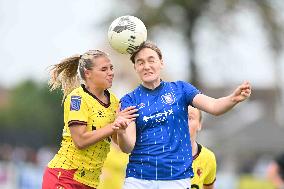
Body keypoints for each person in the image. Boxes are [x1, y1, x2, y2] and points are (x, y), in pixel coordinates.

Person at [114, 41, 252, 189]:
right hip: (138, 179)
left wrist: (233, 99)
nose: (146, 66)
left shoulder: (181, 89)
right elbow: (127, 147)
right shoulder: (129, 100)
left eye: (151, 60)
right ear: (135, 67)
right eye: (140, 62)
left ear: (161, 63)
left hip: (176, 178)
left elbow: (214, 106)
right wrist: (121, 133)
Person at [41, 50, 138, 189]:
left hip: (91, 183)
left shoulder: (114, 102)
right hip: (64, 177)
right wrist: (113, 125)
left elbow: (122, 146)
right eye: (104, 69)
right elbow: (80, 140)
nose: (110, 73)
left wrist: (122, 129)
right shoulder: (78, 98)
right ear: (88, 73)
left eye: (111, 68)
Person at [188, 105, 216, 189]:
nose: (183, 121)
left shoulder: (208, 158)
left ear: (199, 124)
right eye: (179, 116)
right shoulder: (154, 153)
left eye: (189, 118)